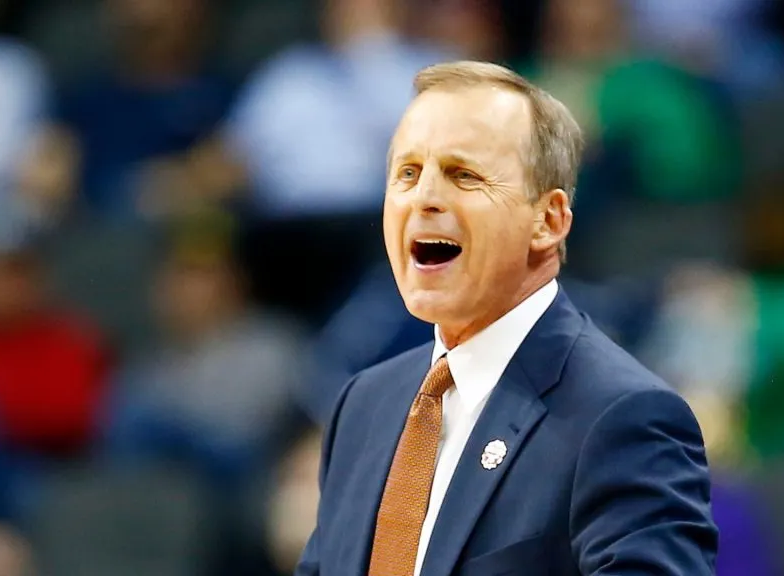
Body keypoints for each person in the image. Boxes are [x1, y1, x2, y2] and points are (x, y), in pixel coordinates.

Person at [295, 61, 717, 576]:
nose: (424, 198)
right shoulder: (361, 406)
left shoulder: (625, 418)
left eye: (463, 174)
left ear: (548, 221)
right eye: (407, 173)